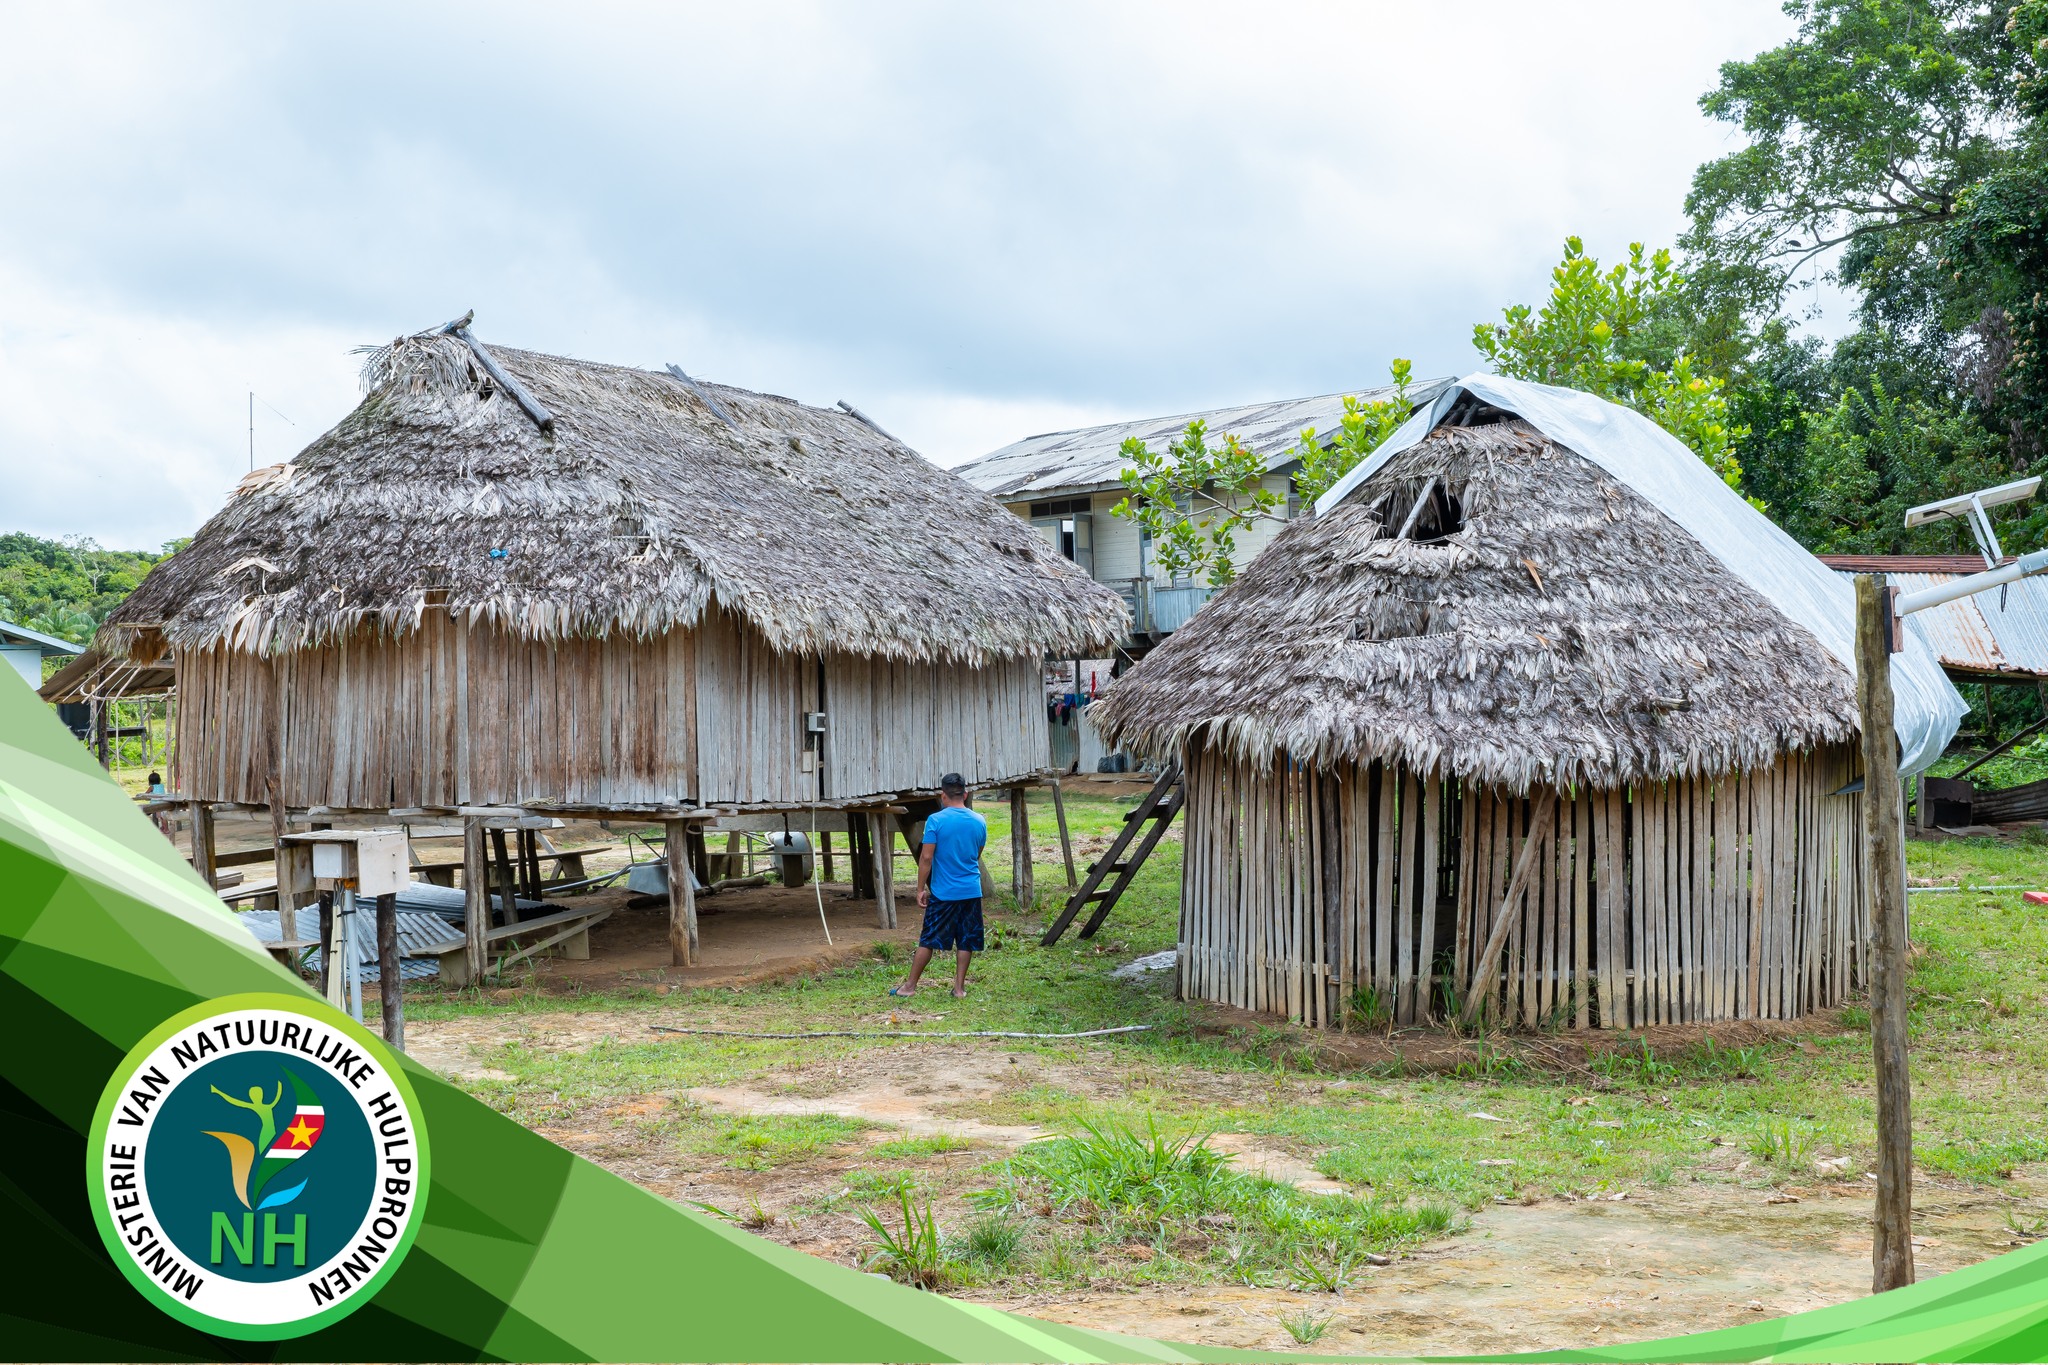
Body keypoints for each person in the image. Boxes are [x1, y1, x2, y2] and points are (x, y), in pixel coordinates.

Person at [891, 772, 987, 999]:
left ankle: (910, 987)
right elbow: (977, 854)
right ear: (965, 794)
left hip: (944, 892)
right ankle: (959, 988)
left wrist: (920, 888)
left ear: (943, 795)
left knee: (928, 939)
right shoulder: (979, 820)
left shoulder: (936, 820)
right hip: (971, 891)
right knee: (966, 939)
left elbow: (926, 858)